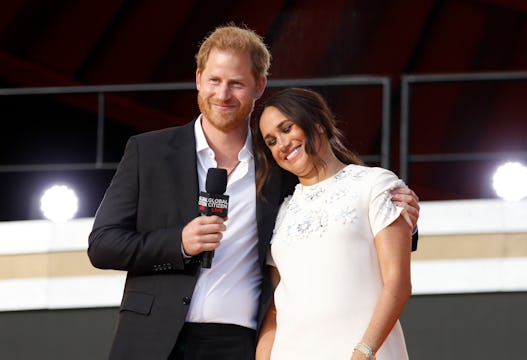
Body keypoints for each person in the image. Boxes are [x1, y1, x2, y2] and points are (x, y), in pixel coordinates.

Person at [88, 24, 420, 360]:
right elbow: (102, 246)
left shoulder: (279, 164)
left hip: (240, 345)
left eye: (236, 83)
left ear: (258, 86)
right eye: (215, 80)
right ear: (199, 78)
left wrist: (403, 216)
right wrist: (178, 243)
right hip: (153, 339)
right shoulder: (149, 151)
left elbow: (336, 207)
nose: (223, 94)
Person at [254, 87, 413, 360]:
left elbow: (397, 283)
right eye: (271, 141)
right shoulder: (281, 211)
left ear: (317, 123)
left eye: (287, 128)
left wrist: (365, 351)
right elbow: (276, 309)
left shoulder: (375, 184)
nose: (281, 144)